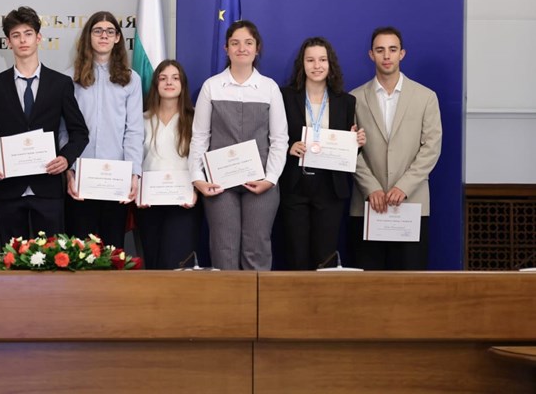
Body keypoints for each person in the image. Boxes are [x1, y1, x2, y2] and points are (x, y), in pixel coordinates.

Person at [0, 6, 89, 246]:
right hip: (8, 187)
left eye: (28, 34)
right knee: (10, 259)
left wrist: (66, 158)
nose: (22, 40)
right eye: (16, 35)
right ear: (8, 42)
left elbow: (80, 132)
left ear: (38, 38)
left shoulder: (60, 83)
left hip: (47, 186)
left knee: (51, 260)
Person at [189, 20, 288, 270]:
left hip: (261, 182)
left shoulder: (269, 88)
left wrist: (270, 179)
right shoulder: (211, 87)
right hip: (219, 184)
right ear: (226, 49)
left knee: (257, 248)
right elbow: (199, 137)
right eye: (235, 43)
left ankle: (257, 297)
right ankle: (227, 298)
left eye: (248, 43)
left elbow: (279, 140)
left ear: (257, 48)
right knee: (224, 248)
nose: (241, 48)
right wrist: (197, 178)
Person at [349, 27, 442, 270]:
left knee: (409, 282)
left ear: (402, 53)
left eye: (392, 49)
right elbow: (350, 150)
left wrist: (404, 186)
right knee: (369, 283)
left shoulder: (425, 97)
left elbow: (431, 147)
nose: (386, 56)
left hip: (411, 204)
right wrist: (371, 188)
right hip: (368, 206)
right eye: (380, 50)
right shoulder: (354, 98)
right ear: (371, 55)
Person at [279, 37, 366, 270]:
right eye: (310, 60)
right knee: (296, 254)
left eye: (322, 60)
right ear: (302, 64)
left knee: (325, 256)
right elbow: (273, 136)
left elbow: (348, 153)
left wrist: (356, 144)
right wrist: (289, 147)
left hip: (330, 187)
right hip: (295, 185)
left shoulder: (346, 102)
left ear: (330, 64)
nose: (317, 66)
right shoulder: (285, 97)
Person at [65, 11, 143, 249]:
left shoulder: (131, 79)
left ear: (117, 38)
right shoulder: (70, 78)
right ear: (88, 36)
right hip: (81, 175)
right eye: (98, 30)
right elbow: (64, 129)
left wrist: (134, 173)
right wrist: (69, 170)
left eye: (110, 31)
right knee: (80, 251)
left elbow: (134, 130)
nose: (104, 36)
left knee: (113, 249)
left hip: (116, 177)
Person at [136, 60, 200, 269]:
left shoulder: (195, 118)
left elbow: (202, 159)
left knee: (177, 262)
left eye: (175, 78)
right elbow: (134, 159)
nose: (169, 83)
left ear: (183, 84)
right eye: (163, 78)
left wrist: (195, 191)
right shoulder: (141, 119)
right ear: (155, 84)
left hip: (184, 202)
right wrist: (138, 191)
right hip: (148, 202)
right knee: (153, 260)